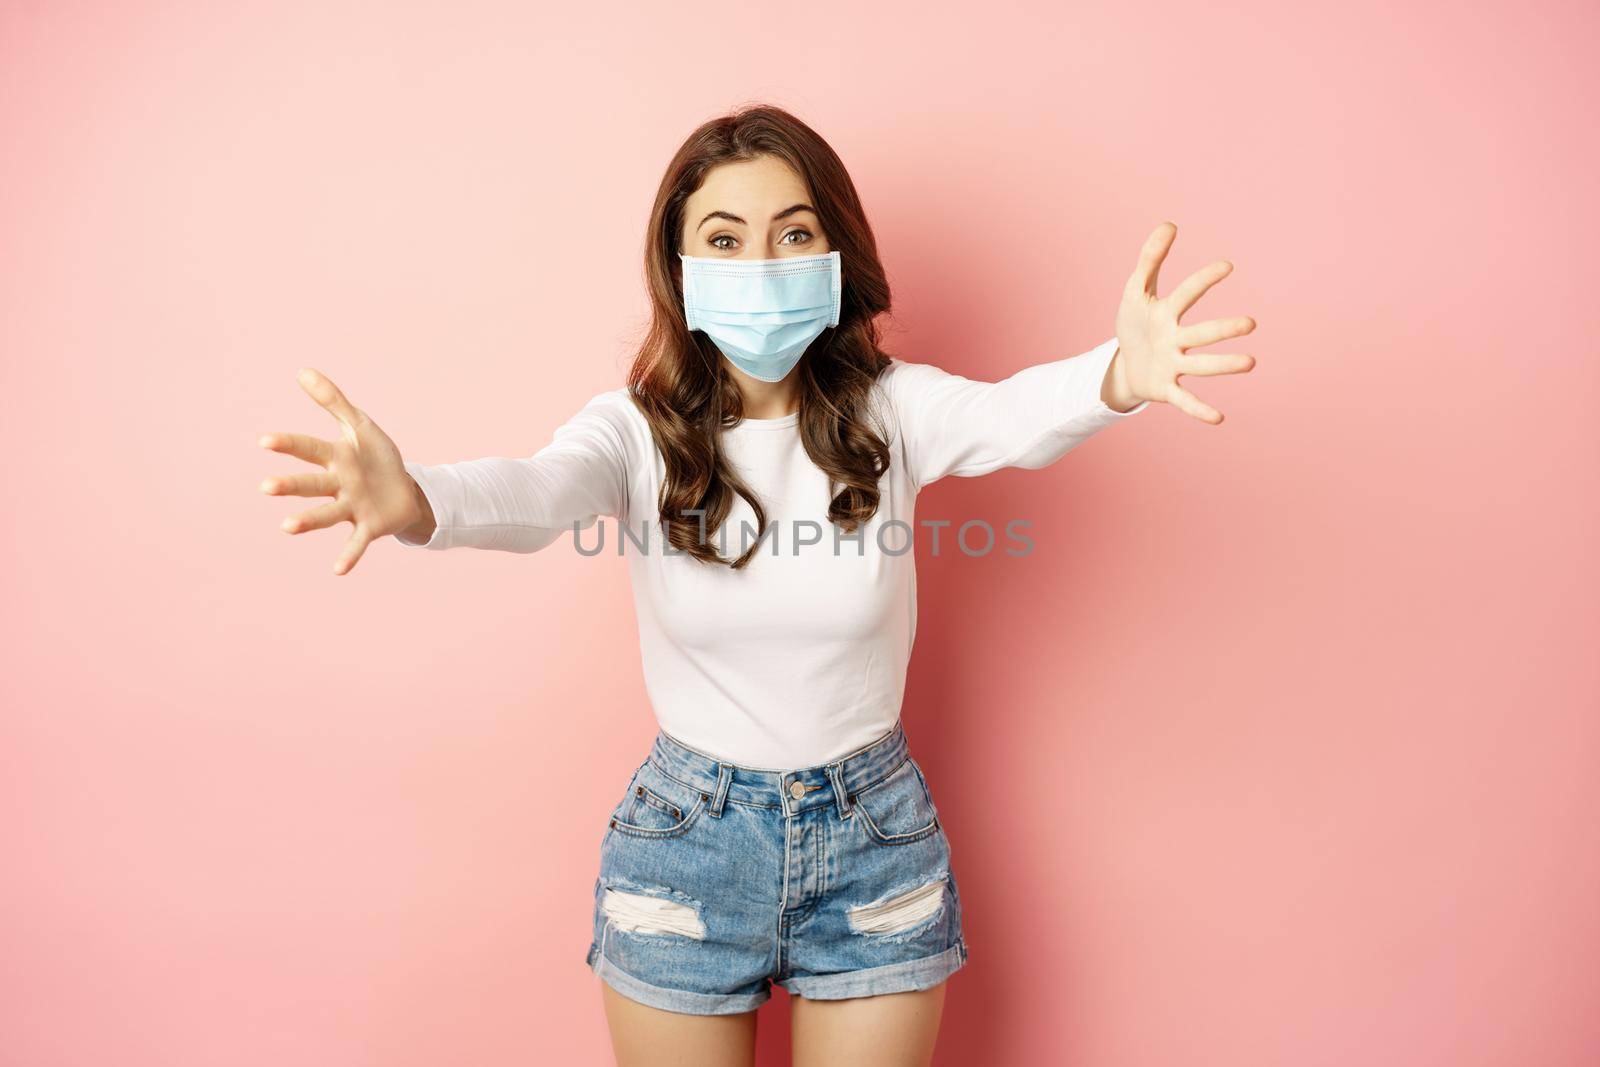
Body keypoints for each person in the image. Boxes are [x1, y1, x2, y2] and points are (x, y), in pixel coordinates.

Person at [257, 104, 1256, 1067]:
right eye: (726, 241)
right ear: (682, 270)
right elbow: (538, 491)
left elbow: (1014, 415)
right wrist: (420, 499)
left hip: (875, 838)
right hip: (686, 843)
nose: (762, 265)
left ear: (836, 255)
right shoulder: (633, 431)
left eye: (792, 233)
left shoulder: (892, 410)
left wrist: (1120, 371)